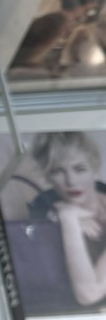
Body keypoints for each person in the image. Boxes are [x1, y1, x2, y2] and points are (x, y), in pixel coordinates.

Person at [30, 131, 106, 309]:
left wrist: (68, 218)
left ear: (95, 170)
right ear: (48, 176)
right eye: (58, 171)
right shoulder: (44, 206)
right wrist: (65, 217)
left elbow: (88, 294)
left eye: (80, 169)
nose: (71, 181)